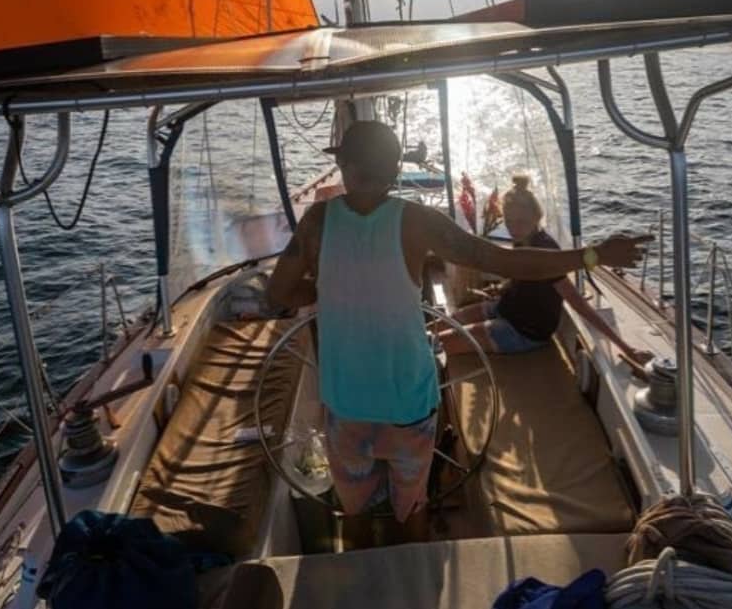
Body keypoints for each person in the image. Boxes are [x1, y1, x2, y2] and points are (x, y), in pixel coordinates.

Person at [266, 121, 649, 546]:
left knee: (353, 510)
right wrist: (593, 255)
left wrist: (332, 292)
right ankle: (415, 572)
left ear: (344, 166)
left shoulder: (316, 222)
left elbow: (278, 292)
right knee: (411, 505)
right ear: (395, 171)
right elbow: (506, 262)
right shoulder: (417, 222)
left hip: (346, 405)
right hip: (408, 404)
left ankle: (362, 574)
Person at [437, 175, 653, 365]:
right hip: (506, 309)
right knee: (443, 322)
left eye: (521, 221)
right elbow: (524, 278)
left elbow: (576, 301)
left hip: (523, 331)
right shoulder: (523, 240)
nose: (514, 228)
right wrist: (503, 288)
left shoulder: (546, 252)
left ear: (536, 217)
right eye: (510, 221)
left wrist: (626, 348)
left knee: (438, 343)